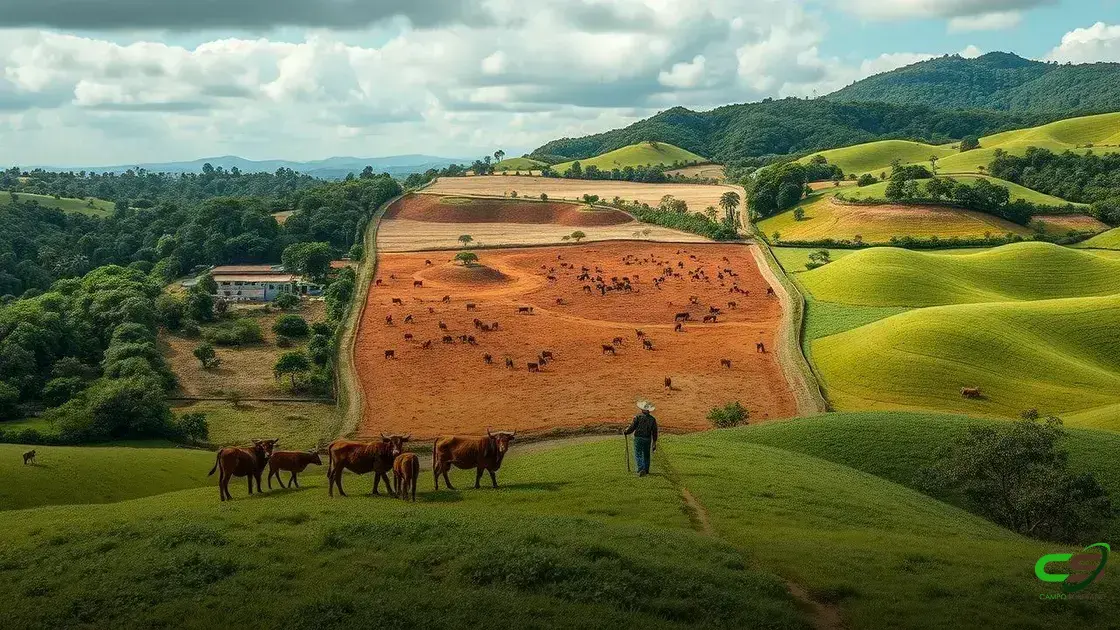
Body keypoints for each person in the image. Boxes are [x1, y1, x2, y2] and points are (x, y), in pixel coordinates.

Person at [624, 400, 658, 476]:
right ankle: (646, 470)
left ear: (642, 409)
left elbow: (632, 427)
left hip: (638, 438)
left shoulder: (638, 417)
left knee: (638, 453)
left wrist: (626, 432)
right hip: (647, 439)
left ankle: (641, 469)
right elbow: (654, 432)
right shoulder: (652, 419)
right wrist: (654, 442)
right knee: (646, 454)